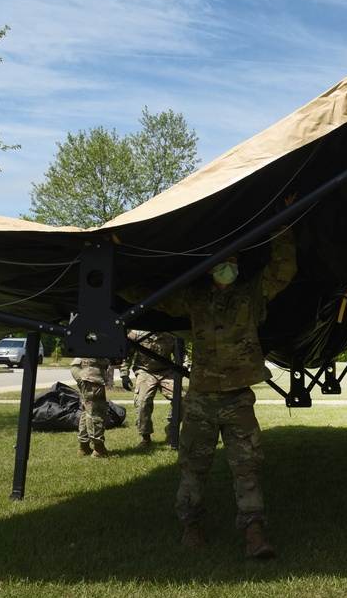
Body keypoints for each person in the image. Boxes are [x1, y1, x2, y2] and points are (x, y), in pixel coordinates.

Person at [125, 197, 297, 559]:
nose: (229, 268)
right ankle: (191, 529)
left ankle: (254, 534)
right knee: (193, 467)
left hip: (237, 400)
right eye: (223, 263)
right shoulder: (194, 299)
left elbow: (283, 270)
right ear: (209, 269)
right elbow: (151, 299)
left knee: (246, 467)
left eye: (234, 262)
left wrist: (282, 223)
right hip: (201, 400)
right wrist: (118, 268)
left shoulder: (251, 296)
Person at [120, 330, 184, 448]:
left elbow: (181, 355)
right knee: (142, 401)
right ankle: (145, 437)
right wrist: (124, 374)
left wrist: (182, 370)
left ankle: (171, 430)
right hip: (145, 371)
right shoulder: (136, 334)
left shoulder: (172, 334)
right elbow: (127, 354)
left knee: (183, 399)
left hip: (166, 371)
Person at [72, 356, 115, 459]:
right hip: (90, 370)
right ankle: (99, 450)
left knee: (88, 409)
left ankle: (84, 447)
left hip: (82, 366)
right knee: (96, 410)